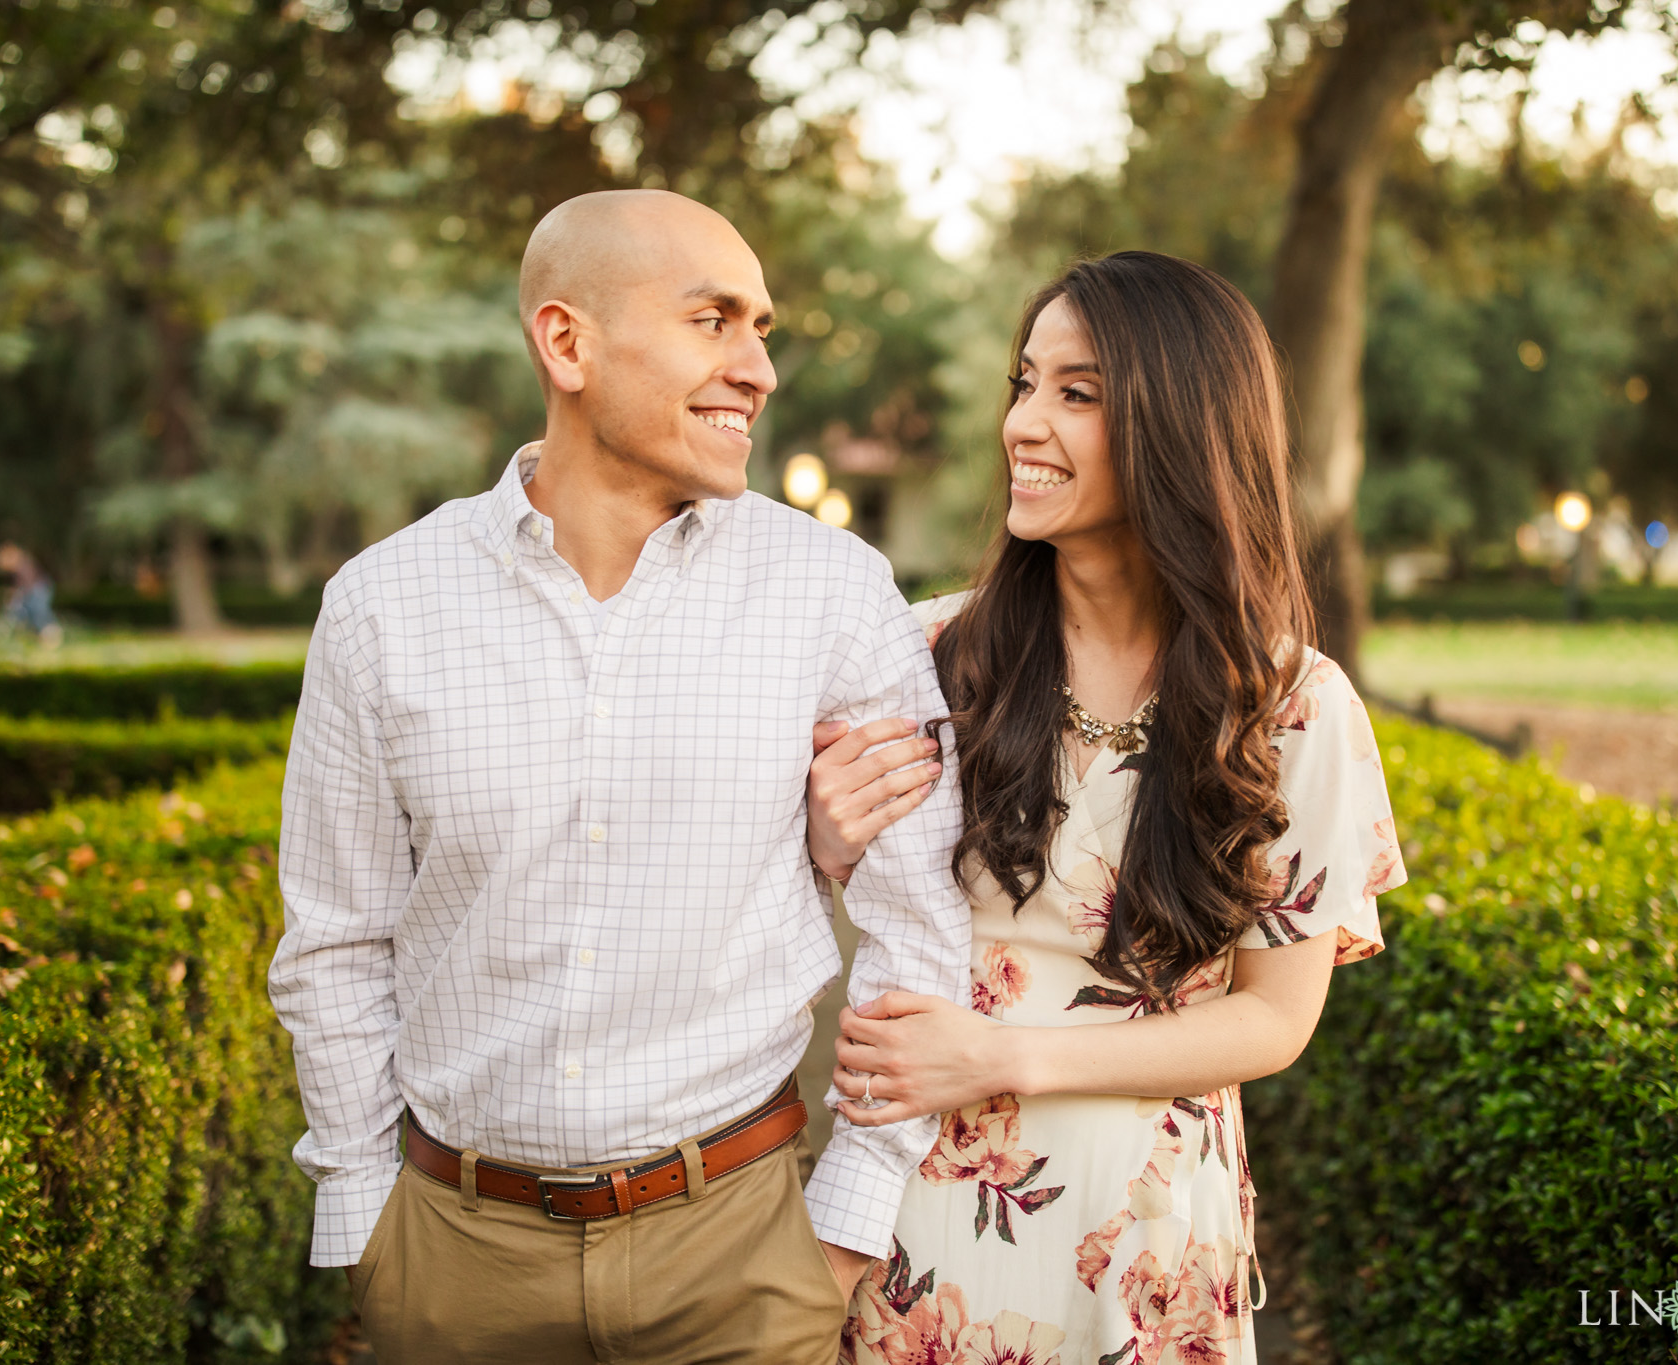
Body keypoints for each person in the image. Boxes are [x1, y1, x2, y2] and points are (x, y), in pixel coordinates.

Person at [267, 189, 972, 1365]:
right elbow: (337, 938)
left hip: (744, 1259)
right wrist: (368, 1226)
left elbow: (917, 927)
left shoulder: (832, 592)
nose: (758, 368)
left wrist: (844, 1224)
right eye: (714, 321)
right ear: (566, 343)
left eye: (762, 329)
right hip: (454, 1264)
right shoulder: (381, 607)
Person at [802, 252, 1407, 1364]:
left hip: (1149, 1232)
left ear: (1179, 426)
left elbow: (1275, 1018)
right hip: (917, 1211)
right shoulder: (926, 655)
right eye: (1023, 384)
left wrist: (1000, 1056)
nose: (1024, 424)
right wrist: (823, 849)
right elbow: (788, 929)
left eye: (1077, 394)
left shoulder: (1292, 707)